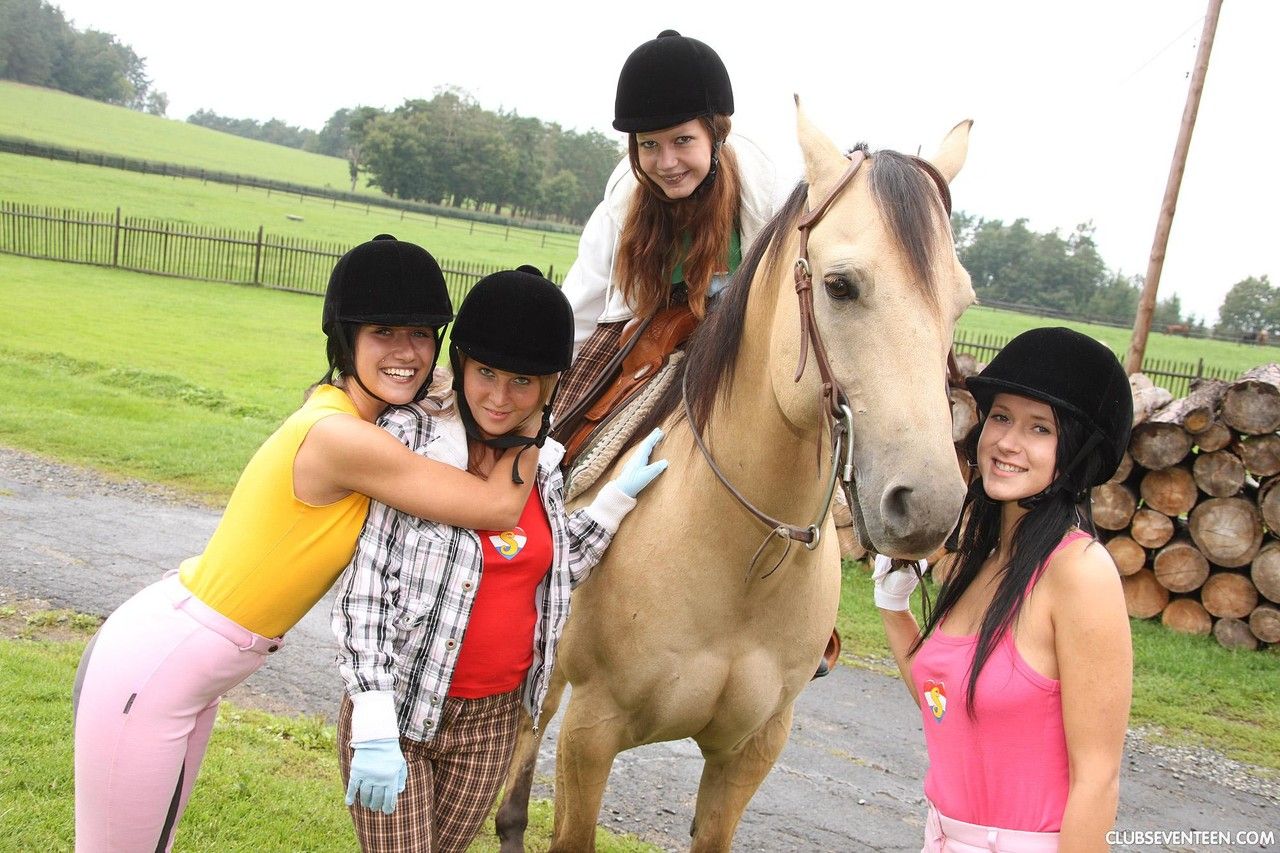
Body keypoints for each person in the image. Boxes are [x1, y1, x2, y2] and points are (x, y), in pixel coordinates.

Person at [72, 235, 545, 853]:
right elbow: (497, 506)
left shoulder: (347, 413)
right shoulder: (340, 438)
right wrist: (540, 419)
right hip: (158, 665)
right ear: (346, 340)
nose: (406, 352)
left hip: (192, 665)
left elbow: (441, 407)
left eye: (423, 334)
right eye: (384, 332)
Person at [332, 265, 667, 852]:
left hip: (491, 725)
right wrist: (376, 720)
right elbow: (365, 590)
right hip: (404, 712)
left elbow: (551, 569)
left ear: (547, 387)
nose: (499, 397)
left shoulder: (542, 469)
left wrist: (614, 502)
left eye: (522, 380)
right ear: (460, 364)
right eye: (486, 372)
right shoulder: (408, 443)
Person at [873, 327, 1134, 852]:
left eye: (1040, 428)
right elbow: (945, 705)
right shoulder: (985, 559)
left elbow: (1098, 779)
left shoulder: (1080, 573)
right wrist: (893, 609)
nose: (1007, 442)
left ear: (1076, 450)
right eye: (1001, 417)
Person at [553, 28, 777, 422]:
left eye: (683, 140)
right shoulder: (620, 207)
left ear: (715, 134)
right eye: (649, 144)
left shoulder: (769, 201)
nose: (666, 163)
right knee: (564, 433)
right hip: (648, 331)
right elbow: (580, 309)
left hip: (745, 341)